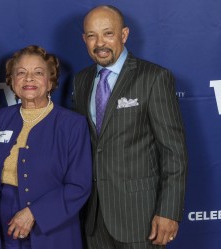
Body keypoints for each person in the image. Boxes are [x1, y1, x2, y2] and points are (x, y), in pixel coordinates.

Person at [72, 5, 188, 249]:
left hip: (141, 218)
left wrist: (169, 211)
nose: (99, 43)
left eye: (108, 33)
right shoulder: (81, 81)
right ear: (84, 39)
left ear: (124, 35)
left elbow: (173, 152)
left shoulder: (154, 77)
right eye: (92, 35)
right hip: (94, 217)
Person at [0, 45, 92, 249]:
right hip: (3, 225)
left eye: (38, 73)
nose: (29, 79)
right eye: (21, 73)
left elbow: (79, 185)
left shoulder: (72, 124)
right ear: (11, 80)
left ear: (50, 80)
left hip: (52, 228)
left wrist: (35, 212)